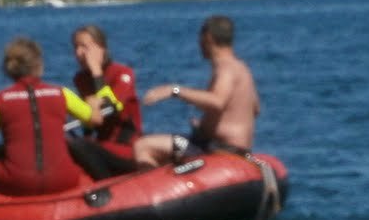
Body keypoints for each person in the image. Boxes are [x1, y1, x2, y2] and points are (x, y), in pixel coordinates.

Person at [133, 15, 260, 168]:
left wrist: (174, 90)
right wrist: (207, 125)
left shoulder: (225, 68)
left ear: (208, 38)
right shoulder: (242, 68)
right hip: (238, 148)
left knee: (143, 146)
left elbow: (217, 102)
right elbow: (254, 108)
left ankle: (151, 188)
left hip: (219, 149)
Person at [0, 36, 96, 196]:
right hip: (64, 180)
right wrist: (93, 95)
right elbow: (94, 119)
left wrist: (8, 149)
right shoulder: (62, 93)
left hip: (17, 182)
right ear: (39, 65)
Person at [66, 23, 142, 179]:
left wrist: (96, 71)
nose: (79, 53)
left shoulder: (123, 73)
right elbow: (89, 122)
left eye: (84, 47)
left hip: (126, 146)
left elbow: (111, 107)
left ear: (101, 49)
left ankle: (106, 186)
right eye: (76, 47)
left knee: (82, 146)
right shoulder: (80, 79)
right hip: (101, 144)